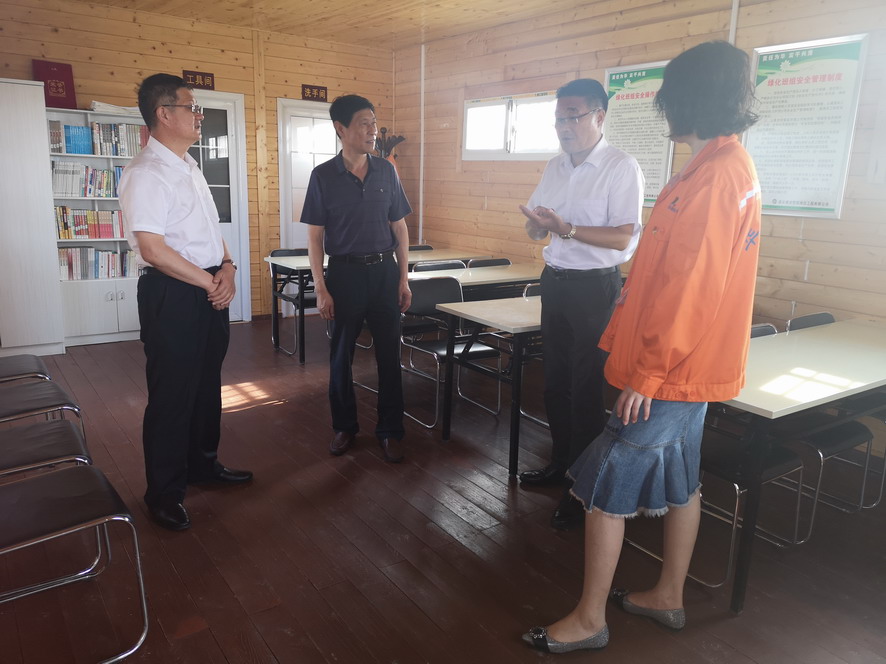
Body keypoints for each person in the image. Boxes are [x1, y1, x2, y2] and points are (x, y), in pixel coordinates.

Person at [522, 40, 762, 654]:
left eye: (669, 96)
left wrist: (648, 375)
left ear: (692, 98)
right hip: (690, 366)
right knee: (682, 480)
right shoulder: (715, 166)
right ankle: (668, 594)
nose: (663, 108)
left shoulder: (716, 177)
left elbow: (690, 290)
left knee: (604, 487)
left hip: (674, 369)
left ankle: (590, 620)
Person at [119, 73, 252, 532]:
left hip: (206, 286)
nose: (199, 115)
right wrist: (212, 282)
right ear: (163, 113)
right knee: (172, 395)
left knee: (206, 385)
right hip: (172, 293)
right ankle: (164, 493)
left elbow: (211, 231)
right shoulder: (145, 173)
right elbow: (153, 249)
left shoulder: (190, 166)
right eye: (191, 107)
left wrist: (228, 266)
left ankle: (203, 465)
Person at [519, 78, 644, 530]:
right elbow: (538, 226)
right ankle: (560, 463)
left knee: (586, 387)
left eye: (572, 116)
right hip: (555, 281)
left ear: (599, 116)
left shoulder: (620, 167)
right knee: (555, 381)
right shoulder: (555, 166)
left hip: (595, 288)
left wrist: (566, 228)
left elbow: (623, 237)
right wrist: (538, 226)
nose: (563, 126)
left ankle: (583, 485)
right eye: (558, 118)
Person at [302, 95, 412, 463]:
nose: (373, 130)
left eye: (374, 123)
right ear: (341, 128)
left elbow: (399, 227)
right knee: (341, 356)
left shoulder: (386, 171)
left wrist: (403, 279)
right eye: (364, 123)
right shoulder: (323, 176)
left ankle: (391, 430)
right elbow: (315, 238)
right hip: (344, 274)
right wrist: (320, 287)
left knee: (389, 355)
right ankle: (344, 426)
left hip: (383, 273)